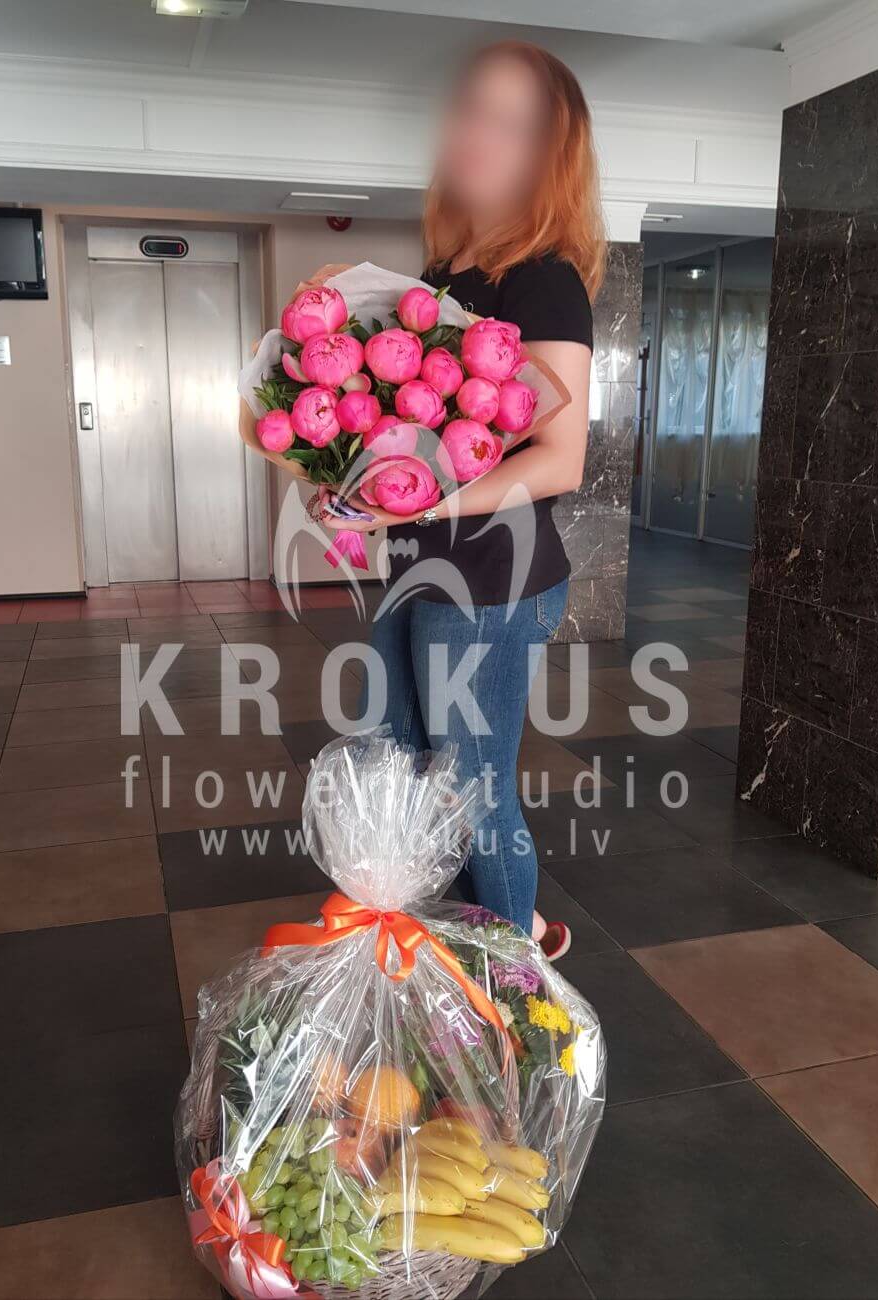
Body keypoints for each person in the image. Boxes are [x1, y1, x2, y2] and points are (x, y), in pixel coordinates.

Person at [310, 41, 604, 955]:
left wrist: (413, 507)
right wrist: (347, 485)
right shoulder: (443, 274)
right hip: (420, 565)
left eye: (509, 122)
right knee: (399, 763)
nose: (478, 133)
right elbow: (409, 435)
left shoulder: (540, 276)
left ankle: (515, 983)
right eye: (471, 110)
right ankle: (502, 931)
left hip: (493, 581)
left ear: (548, 153)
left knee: (473, 787)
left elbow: (560, 460)